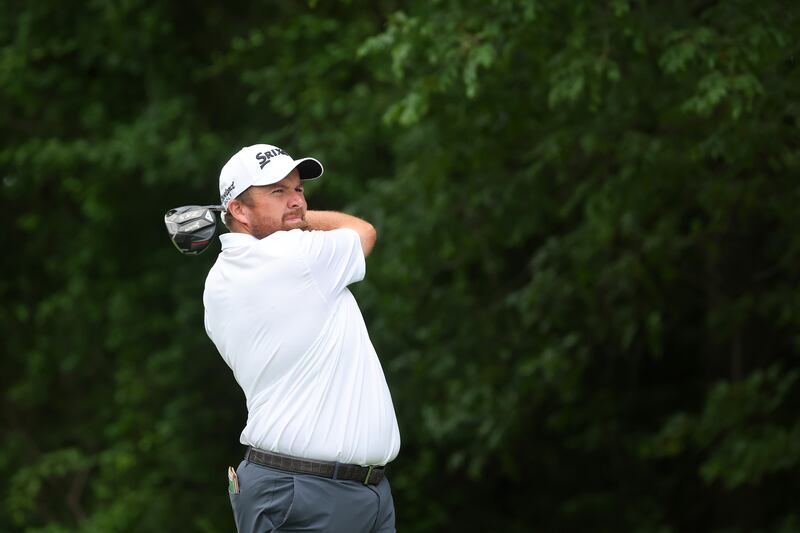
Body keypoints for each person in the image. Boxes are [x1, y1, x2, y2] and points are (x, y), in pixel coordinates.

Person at [202, 143, 401, 533]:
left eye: (298, 190)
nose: (296, 202)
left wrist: (283, 215)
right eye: (277, 192)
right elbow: (364, 231)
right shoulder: (296, 256)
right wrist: (304, 220)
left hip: (333, 490)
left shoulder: (218, 280)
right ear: (238, 210)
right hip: (307, 495)